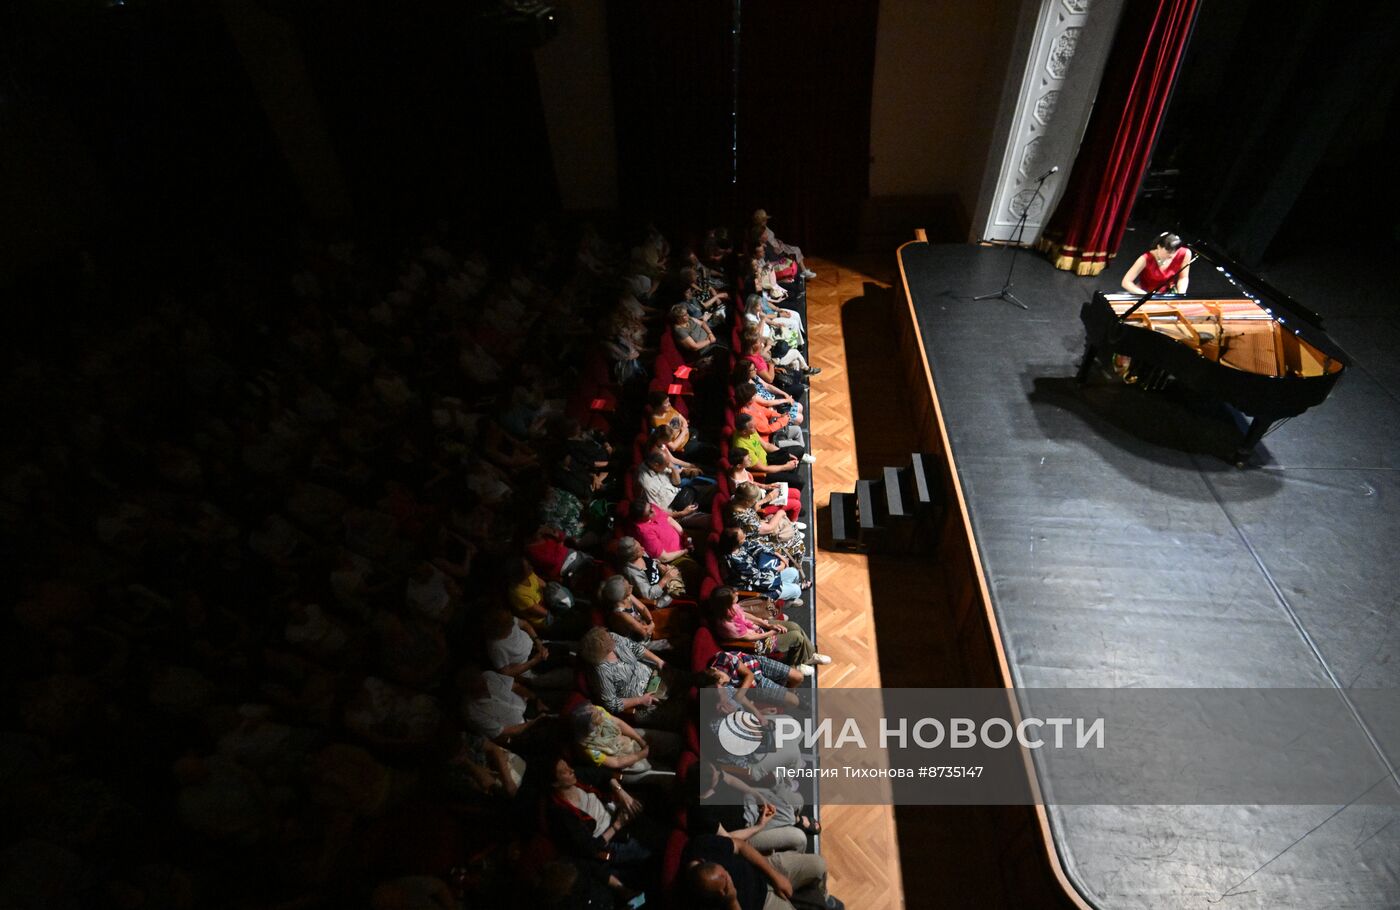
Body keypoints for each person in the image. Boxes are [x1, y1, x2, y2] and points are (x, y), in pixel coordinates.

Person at [681, 833, 842, 910]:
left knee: (818, 864)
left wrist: (775, 876)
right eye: (725, 885)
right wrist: (731, 900)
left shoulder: (700, 846)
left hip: (762, 869)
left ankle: (822, 896)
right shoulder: (696, 902)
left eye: (726, 874)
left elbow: (741, 846)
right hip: (760, 904)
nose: (730, 881)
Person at [704, 585, 827, 669]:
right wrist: (772, 632)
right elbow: (751, 638)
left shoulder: (731, 607)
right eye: (734, 597)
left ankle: (808, 656)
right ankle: (799, 663)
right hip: (757, 643)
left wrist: (766, 624)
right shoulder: (727, 624)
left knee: (794, 626)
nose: (737, 595)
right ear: (726, 604)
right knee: (796, 637)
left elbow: (744, 614)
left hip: (758, 629)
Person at [751, 208, 817, 280]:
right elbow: (769, 248)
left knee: (796, 249)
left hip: (778, 244)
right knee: (794, 251)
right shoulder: (760, 231)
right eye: (764, 219)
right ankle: (802, 271)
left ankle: (802, 271)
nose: (766, 221)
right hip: (777, 249)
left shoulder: (764, 228)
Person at [1120, 231, 1192, 295]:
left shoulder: (1185, 253)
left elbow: (1183, 277)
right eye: (1168, 252)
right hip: (1146, 293)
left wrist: (1181, 295)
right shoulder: (1145, 259)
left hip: (1168, 293)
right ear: (1159, 247)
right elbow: (1126, 282)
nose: (1172, 256)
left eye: (1175, 252)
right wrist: (1146, 296)